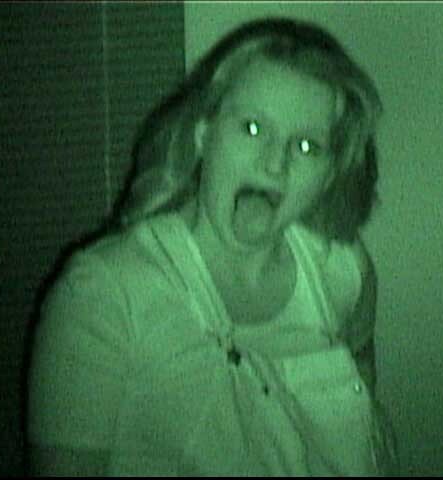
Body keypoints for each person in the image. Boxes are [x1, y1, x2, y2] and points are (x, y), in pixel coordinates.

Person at [26, 16, 398, 476]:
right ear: (205, 134)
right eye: (253, 128)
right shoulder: (101, 294)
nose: (275, 164)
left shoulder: (342, 269)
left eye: (306, 146)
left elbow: (365, 403)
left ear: (329, 175)